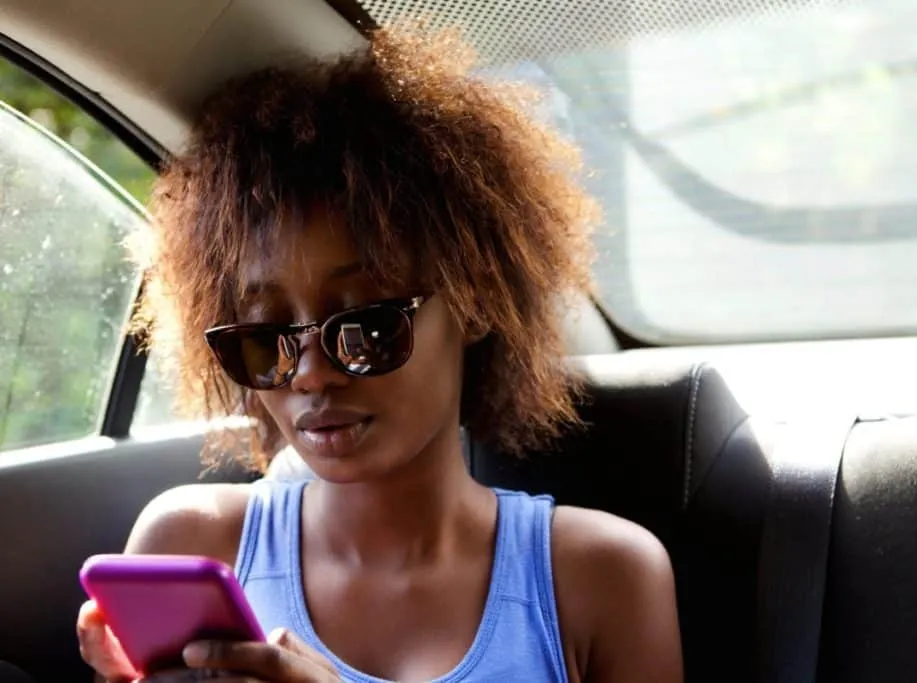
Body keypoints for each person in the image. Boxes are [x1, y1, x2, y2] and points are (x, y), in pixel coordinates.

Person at [76, 26, 683, 683]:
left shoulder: (599, 578)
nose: (309, 372)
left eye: (365, 324)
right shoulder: (189, 543)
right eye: (264, 337)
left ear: (474, 300)